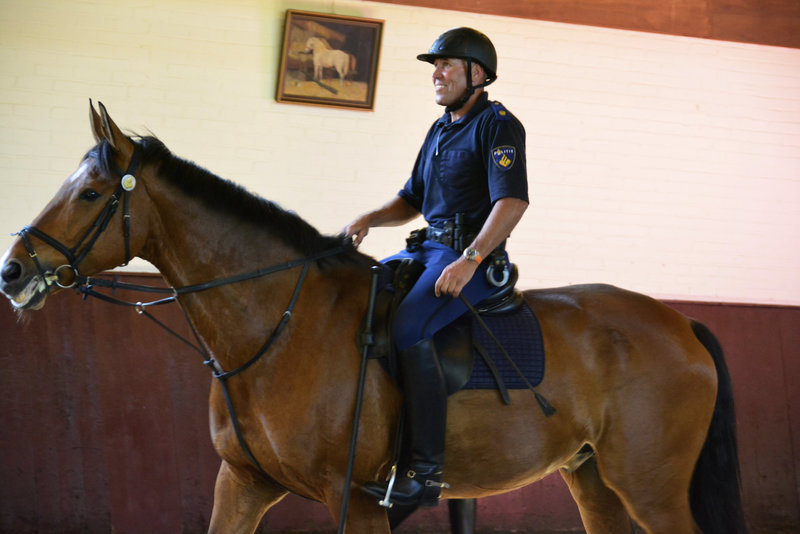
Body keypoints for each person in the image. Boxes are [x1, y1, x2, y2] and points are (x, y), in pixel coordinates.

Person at [342, 27, 529, 508]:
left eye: (446, 64)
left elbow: (511, 202)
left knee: (408, 327)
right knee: (361, 293)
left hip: (472, 258)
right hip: (427, 248)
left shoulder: (499, 124)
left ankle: (424, 473)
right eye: (434, 66)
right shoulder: (441, 129)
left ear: (478, 73)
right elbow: (412, 199)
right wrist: (370, 218)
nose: (436, 74)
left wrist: (472, 260)